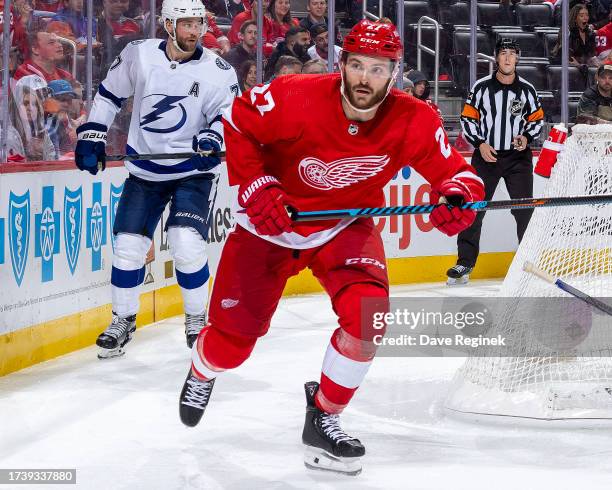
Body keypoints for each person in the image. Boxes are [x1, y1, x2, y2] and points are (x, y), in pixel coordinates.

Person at [178, 19, 484, 475]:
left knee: (369, 317)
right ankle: (203, 370)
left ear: (394, 73)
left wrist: (459, 199)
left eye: (378, 69)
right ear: (342, 63)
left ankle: (323, 415)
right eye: (357, 65)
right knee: (231, 347)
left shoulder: (415, 117)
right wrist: (255, 185)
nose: (365, 78)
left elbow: (457, 173)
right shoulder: (295, 94)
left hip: (344, 227)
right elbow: (237, 122)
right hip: (269, 227)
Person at [74, 0, 239, 359]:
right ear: (168, 25)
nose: (195, 31)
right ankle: (123, 321)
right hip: (145, 171)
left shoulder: (219, 70)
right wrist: (92, 135)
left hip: (192, 174)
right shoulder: (140, 55)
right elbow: (108, 94)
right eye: (186, 24)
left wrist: (213, 138)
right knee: (128, 248)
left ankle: (197, 319)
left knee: (185, 242)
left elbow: (227, 117)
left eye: (198, 24)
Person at [451, 38, 543, 285]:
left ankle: (529, 262)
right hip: (486, 155)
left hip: (518, 159)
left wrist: (526, 137)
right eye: (503, 53)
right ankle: (464, 263)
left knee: (524, 211)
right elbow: (468, 119)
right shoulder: (480, 88)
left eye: (512, 53)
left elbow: (537, 120)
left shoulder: (527, 90)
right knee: (474, 209)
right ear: (496, 57)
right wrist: (480, 143)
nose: (507, 58)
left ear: (518, 58)